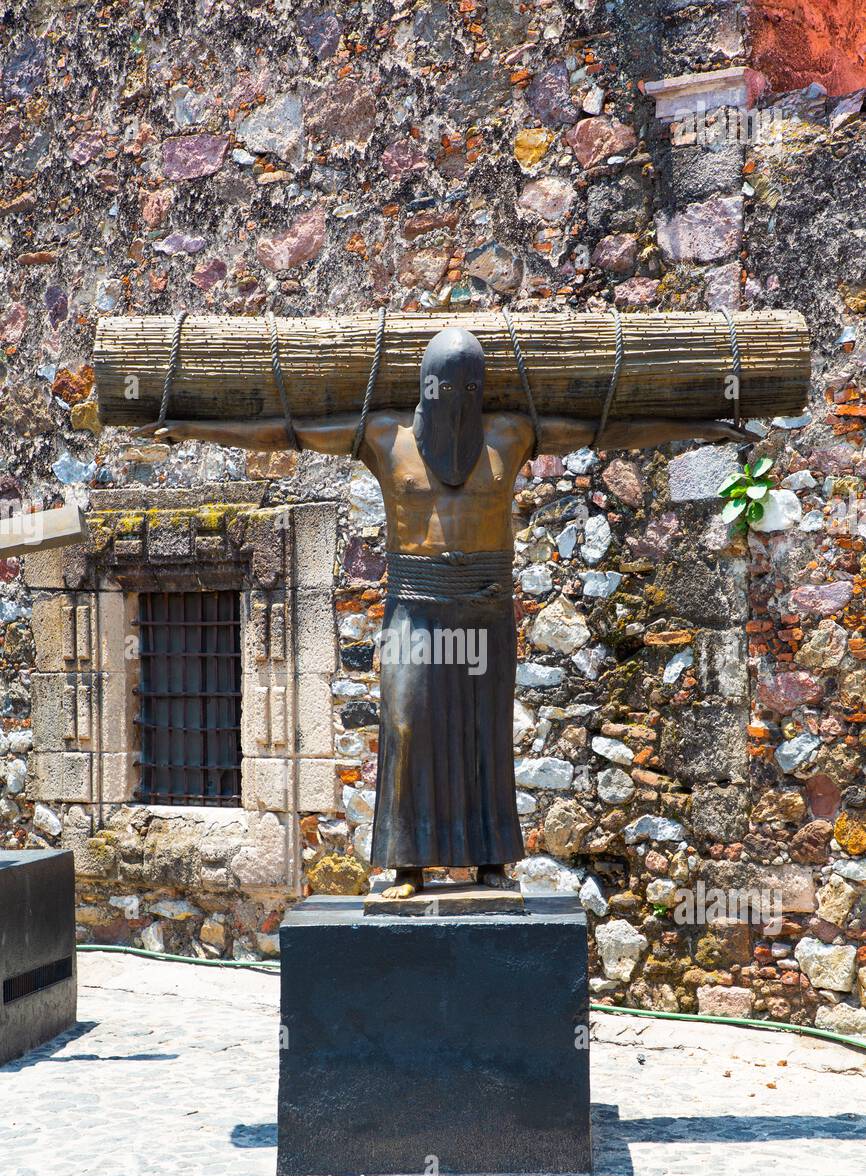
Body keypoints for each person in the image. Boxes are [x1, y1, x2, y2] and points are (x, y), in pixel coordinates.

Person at [143, 326, 750, 898]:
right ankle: (408, 861)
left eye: (469, 388)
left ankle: (490, 860)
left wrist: (701, 424)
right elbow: (287, 432)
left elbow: (607, 430)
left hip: (485, 609)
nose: (457, 399)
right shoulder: (385, 436)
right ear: (425, 384)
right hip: (415, 606)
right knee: (406, 723)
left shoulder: (510, 435)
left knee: (485, 735)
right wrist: (194, 426)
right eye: (445, 385)